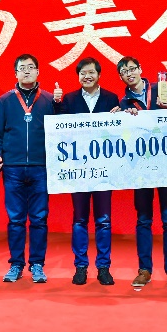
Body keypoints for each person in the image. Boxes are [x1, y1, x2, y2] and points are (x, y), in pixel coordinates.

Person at [0, 54, 62, 283]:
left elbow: (62, 132)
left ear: (38, 72)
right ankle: (16, 264)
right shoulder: (5, 100)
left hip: (41, 167)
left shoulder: (49, 100)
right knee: (16, 220)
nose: (27, 71)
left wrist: (59, 105)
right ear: (16, 73)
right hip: (13, 168)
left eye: (31, 67)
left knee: (39, 219)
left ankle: (37, 264)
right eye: (23, 68)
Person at [116, 56, 167, 288]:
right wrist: (119, 118)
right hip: (141, 168)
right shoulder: (124, 102)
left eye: (132, 69)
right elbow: (123, 136)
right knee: (143, 219)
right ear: (121, 77)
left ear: (140, 69)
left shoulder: (162, 89)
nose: (129, 73)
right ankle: (144, 269)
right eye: (124, 71)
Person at [57, 57, 121, 286]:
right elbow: (59, 129)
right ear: (78, 76)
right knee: (79, 219)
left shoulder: (112, 98)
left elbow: (119, 132)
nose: (87, 76)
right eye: (83, 73)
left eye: (91, 72)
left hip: (103, 170)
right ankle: (81, 266)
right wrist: (56, 104)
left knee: (104, 220)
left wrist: (120, 118)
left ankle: (103, 267)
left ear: (99, 75)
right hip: (78, 170)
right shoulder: (69, 99)